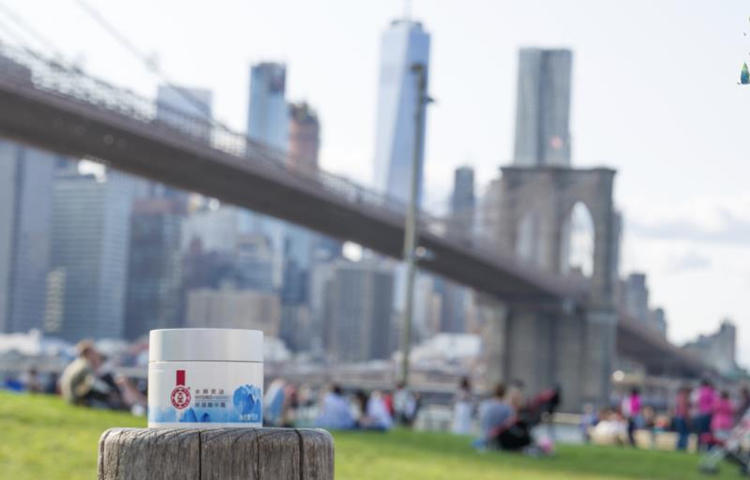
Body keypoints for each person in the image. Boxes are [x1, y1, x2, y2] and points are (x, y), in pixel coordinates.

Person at [696, 380, 716, 450]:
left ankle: (699, 447)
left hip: (701, 413)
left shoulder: (700, 392)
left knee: (701, 431)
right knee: (708, 432)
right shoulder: (711, 392)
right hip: (708, 414)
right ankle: (708, 447)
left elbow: (697, 402)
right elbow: (714, 404)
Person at [673, 386, 691, 451]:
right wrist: (687, 418)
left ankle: (679, 446)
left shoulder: (679, 397)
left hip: (678, 417)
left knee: (680, 433)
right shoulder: (685, 398)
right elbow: (684, 409)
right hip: (683, 417)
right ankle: (682, 447)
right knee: (684, 433)